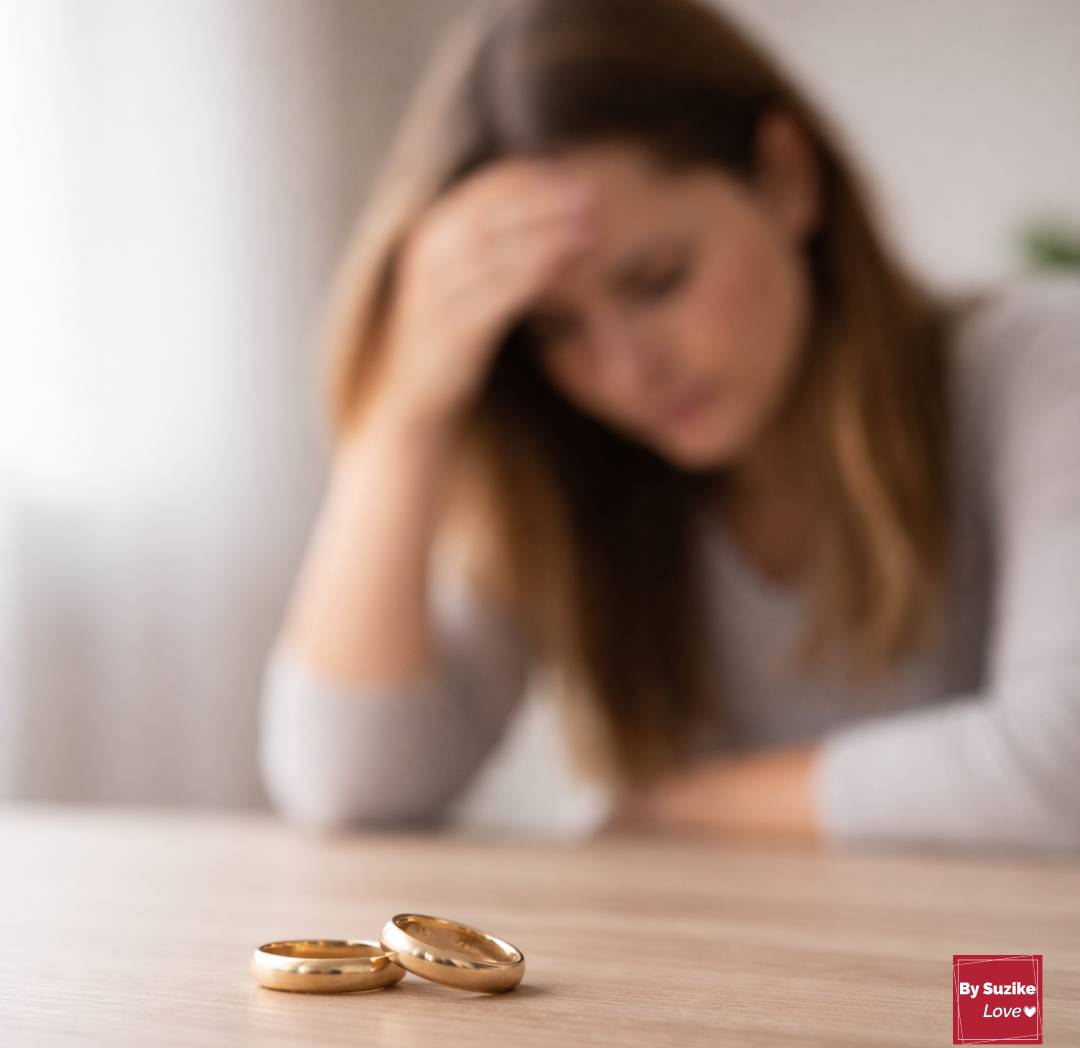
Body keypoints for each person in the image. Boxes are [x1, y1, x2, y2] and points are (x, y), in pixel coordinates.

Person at [258, 0, 1080, 852]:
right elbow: (346, 785)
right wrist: (400, 415)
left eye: (656, 280)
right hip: (737, 984)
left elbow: (1062, 771)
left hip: (998, 985)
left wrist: (671, 809)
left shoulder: (1046, 367)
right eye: (555, 331)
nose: (623, 369)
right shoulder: (572, 465)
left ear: (785, 176)